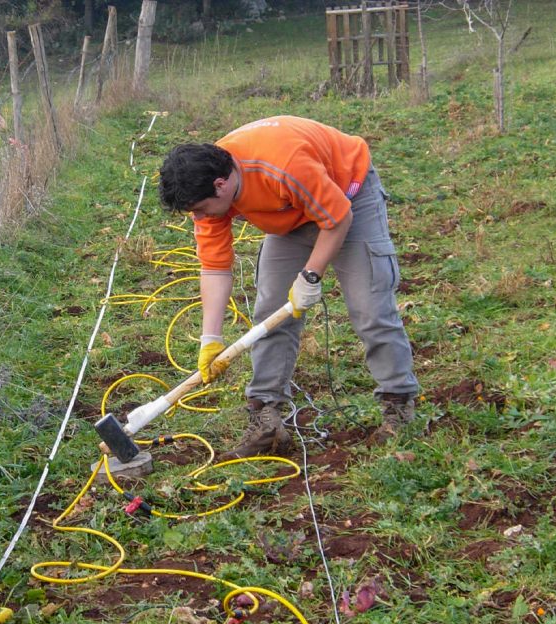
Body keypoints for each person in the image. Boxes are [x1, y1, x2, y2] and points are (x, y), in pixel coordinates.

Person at [158, 115, 419, 454]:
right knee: (271, 311)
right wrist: (211, 339)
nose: (203, 217)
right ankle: (266, 418)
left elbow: (338, 217)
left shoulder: (283, 164)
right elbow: (214, 268)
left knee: (368, 306)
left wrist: (310, 276)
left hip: (347, 196)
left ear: (221, 185)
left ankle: (398, 405)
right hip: (290, 212)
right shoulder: (206, 194)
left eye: (202, 209)